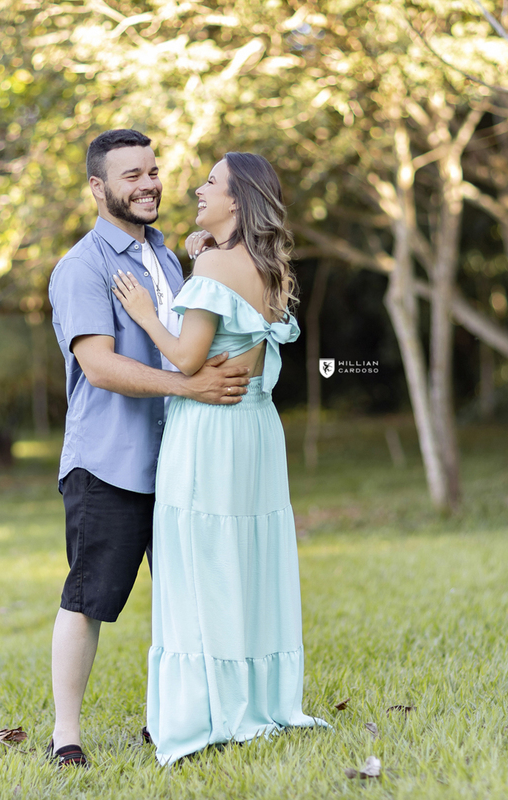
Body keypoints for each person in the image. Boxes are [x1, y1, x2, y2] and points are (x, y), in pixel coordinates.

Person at [112, 152, 328, 764]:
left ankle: (207, 707)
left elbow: (186, 359)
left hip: (208, 428)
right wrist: (204, 247)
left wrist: (148, 316)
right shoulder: (265, 264)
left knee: (201, 562)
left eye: (210, 183)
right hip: (255, 428)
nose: (195, 189)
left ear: (237, 200)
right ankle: (256, 697)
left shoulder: (211, 263)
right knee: (247, 561)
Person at [47, 129, 252, 768]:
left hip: (179, 462)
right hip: (107, 463)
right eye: (131, 174)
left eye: (154, 171)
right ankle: (66, 737)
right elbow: (101, 368)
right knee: (90, 598)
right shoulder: (83, 267)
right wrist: (190, 386)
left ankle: (174, 718)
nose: (148, 184)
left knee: (184, 594)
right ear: (98, 187)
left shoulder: (166, 256)